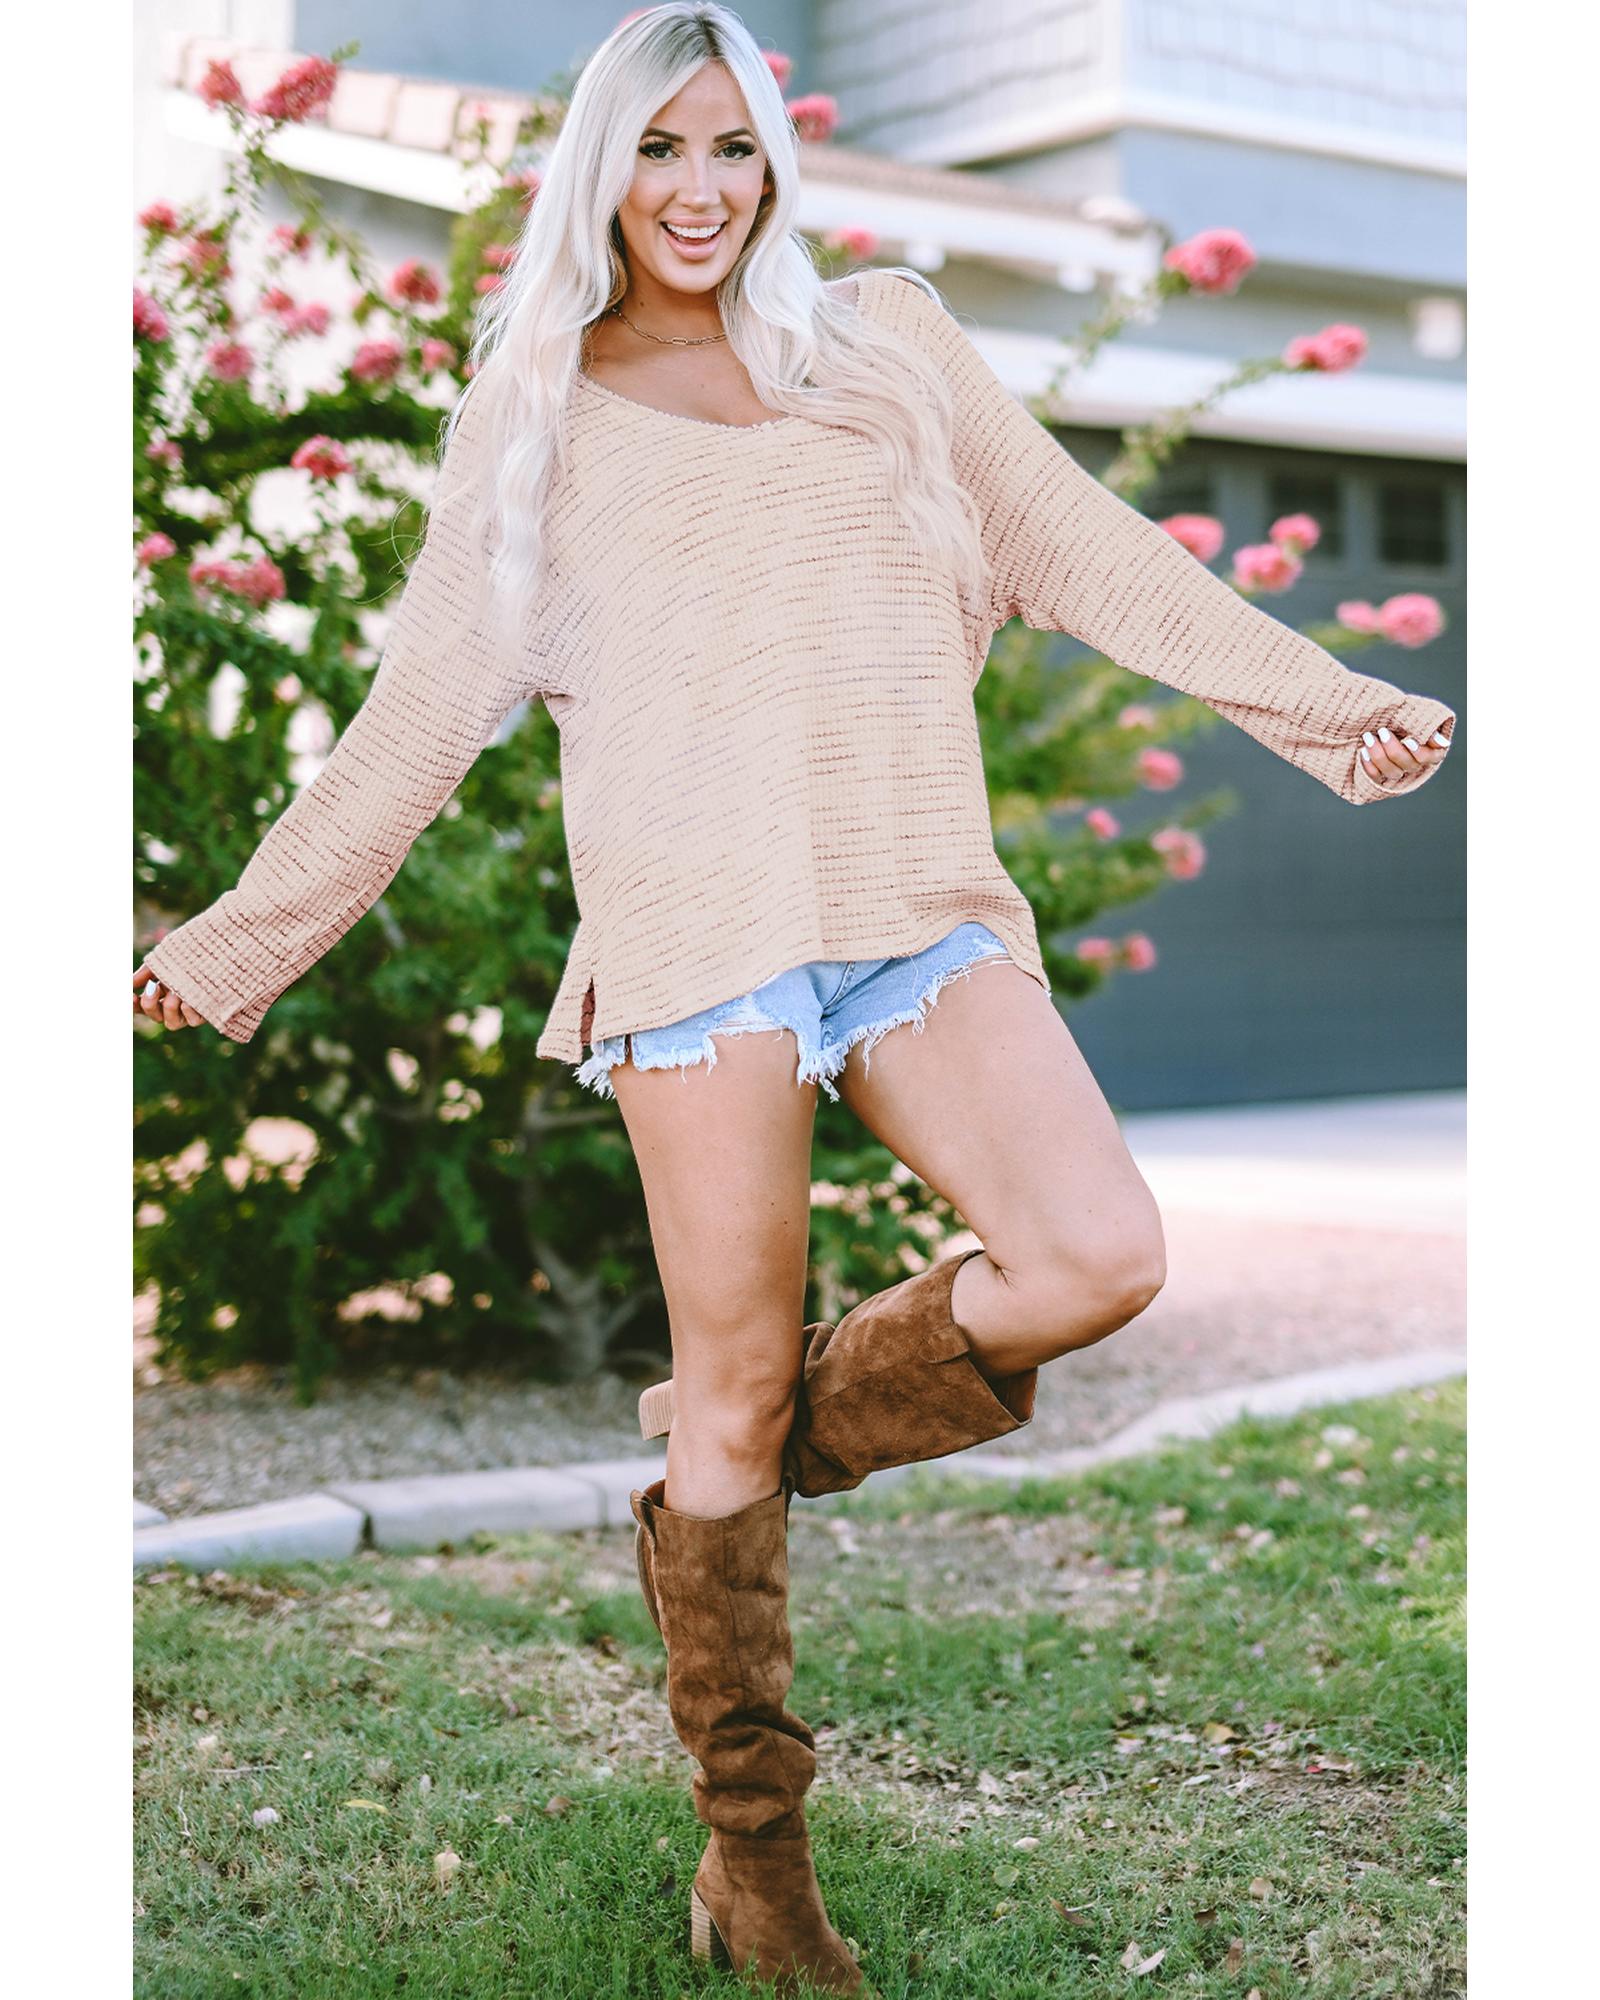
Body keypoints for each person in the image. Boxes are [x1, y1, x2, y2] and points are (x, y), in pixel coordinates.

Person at [133, 7, 1455, 1992]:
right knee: (735, 1385)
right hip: (699, 941)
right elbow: (412, 724)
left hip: (914, 902)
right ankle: (754, 1863)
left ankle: (739, 1432)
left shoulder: (887, 343)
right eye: (659, 150)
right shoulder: (541, 412)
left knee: (1093, 1255)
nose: (700, 189)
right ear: (602, 172)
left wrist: (1325, 704)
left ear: (775, 160)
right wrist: (236, 940)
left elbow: (1091, 550)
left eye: (733, 145)